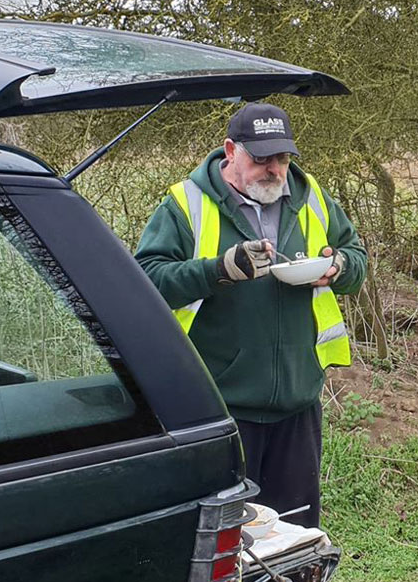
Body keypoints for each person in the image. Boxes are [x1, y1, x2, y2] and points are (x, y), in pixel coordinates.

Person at [134, 102, 368, 528]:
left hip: (298, 404)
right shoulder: (185, 204)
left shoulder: (311, 195)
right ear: (230, 151)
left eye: (282, 158)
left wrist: (340, 268)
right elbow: (145, 280)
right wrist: (218, 269)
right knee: (228, 544)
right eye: (261, 158)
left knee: (295, 541)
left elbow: (356, 257)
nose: (274, 169)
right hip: (221, 409)